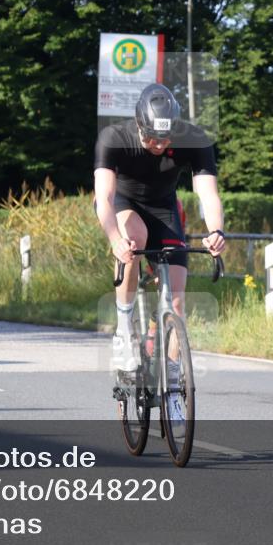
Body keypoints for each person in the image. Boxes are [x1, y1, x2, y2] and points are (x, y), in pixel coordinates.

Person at [93, 83, 226, 390]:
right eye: (151, 137)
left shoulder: (194, 139)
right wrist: (115, 240)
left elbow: (208, 194)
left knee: (176, 300)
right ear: (139, 125)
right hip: (122, 203)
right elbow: (104, 197)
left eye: (164, 139)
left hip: (164, 208)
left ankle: (173, 382)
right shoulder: (115, 138)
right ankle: (124, 329)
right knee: (134, 238)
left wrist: (215, 231)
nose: (157, 144)